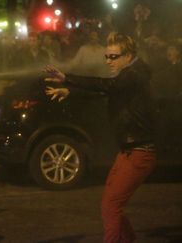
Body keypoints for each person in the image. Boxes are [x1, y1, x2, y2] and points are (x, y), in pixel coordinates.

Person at [44, 32, 156, 243]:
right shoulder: (128, 76)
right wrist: (70, 91)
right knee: (109, 203)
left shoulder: (133, 75)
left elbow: (106, 87)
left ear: (128, 55)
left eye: (113, 57)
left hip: (139, 153)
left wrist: (67, 78)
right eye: (107, 56)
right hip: (128, 151)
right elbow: (105, 91)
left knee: (112, 205)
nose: (108, 61)